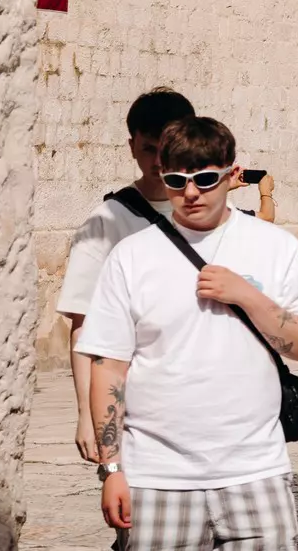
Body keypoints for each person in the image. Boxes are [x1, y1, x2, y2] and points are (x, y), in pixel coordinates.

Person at [80, 117, 298, 551]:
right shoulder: (131, 257)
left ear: (232, 175)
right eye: (176, 181)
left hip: (255, 471)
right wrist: (112, 469)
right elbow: (109, 366)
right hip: (156, 478)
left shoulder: (274, 246)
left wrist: (248, 296)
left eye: (205, 179)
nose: (191, 193)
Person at [56, 86, 196, 462]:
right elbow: (85, 325)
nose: (158, 161)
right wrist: (88, 415)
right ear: (132, 145)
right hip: (137, 409)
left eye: (167, 149)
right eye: (148, 148)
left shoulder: (212, 214)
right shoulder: (107, 222)